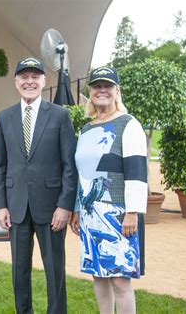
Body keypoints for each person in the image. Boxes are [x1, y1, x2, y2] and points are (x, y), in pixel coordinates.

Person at [0, 57, 77, 314]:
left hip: (51, 209)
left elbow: (69, 166)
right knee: (19, 271)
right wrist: (1, 205)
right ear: (16, 82)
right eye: (24, 77)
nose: (29, 81)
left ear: (43, 81)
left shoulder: (61, 115)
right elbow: (0, 165)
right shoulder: (4, 117)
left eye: (35, 77)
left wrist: (65, 205)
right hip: (17, 208)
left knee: (54, 270)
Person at [70, 66, 147, 314]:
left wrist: (133, 212)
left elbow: (136, 169)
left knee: (119, 279)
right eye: (96, 86)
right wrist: (77, 210)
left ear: (116, 91)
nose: (102, 90)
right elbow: (81, 174)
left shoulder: (128, 124)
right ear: (90, 92)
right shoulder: (86, 129)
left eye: (107, 86)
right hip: (90, 214)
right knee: (98, 276)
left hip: (119, 213)